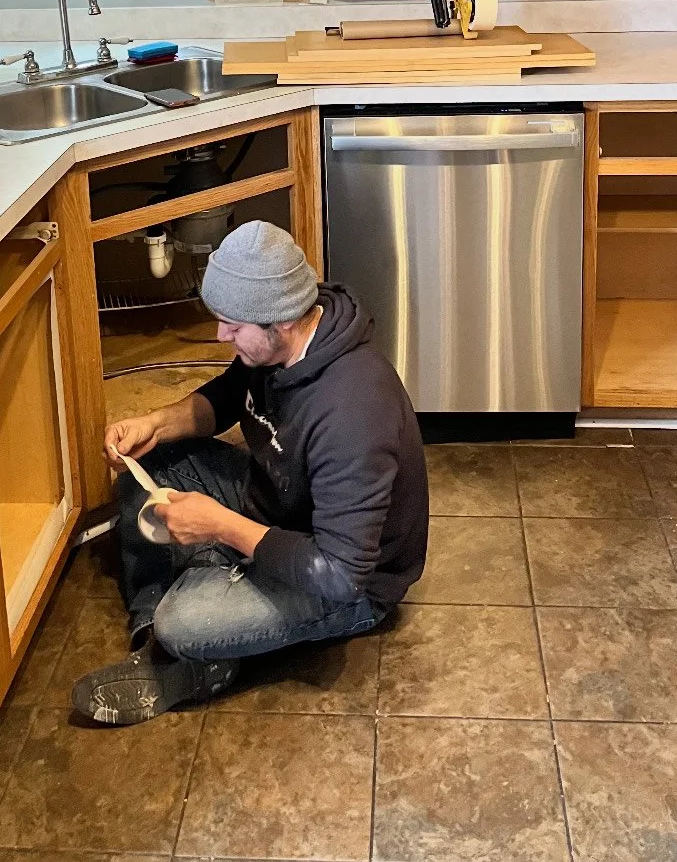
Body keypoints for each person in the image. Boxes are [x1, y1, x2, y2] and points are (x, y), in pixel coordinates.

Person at [71, 219, 429, 725]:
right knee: (143, 469)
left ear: (278, 323)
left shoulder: (352, 412)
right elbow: (230, 395)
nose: (221, 336)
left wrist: (219, 525)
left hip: (347, 581)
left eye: (233, 326)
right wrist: (158, 424)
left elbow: (341, 574)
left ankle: (195, 655)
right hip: (278, 502)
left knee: (187, 622)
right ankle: (154, 619)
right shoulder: (280, 337)